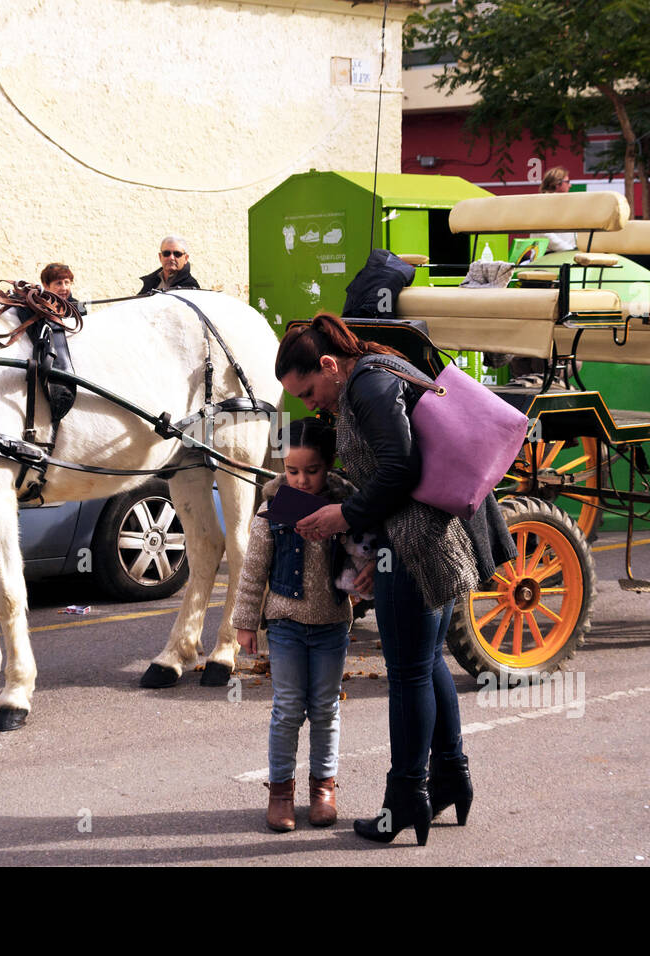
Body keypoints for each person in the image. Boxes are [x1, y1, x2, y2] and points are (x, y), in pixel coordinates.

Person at [276, 313, 515, 846]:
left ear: (329, 365)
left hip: (419, 547)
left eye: (309, 390)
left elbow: (399, 469)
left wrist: (344, 517)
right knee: (427, 662)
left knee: (408, 673)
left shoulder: (371, 384)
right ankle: (451, 777)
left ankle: (405, 799)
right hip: (424, 540)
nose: (309, 404)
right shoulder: (376, 373)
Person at [232, 418, 359, 832]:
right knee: (287, 710)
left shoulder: (348, 509)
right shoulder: (271, 511)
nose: (301, 480)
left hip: (331, 626)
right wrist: (246, 622)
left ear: (330, 466)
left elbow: (365, 561)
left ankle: (323, 788)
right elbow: (253, 572)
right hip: (285, 625)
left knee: (325, 709)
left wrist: (352, 548)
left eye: (312, 470)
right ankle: (281, 792)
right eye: (292, 471)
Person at [533, 166, 577, 252]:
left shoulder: (564, 203)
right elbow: (545, 234)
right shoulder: (542, 203)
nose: (570, 185)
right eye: (567, 182)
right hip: (548, 258)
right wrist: (569, 249)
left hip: (564, 256)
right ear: (557, 184)